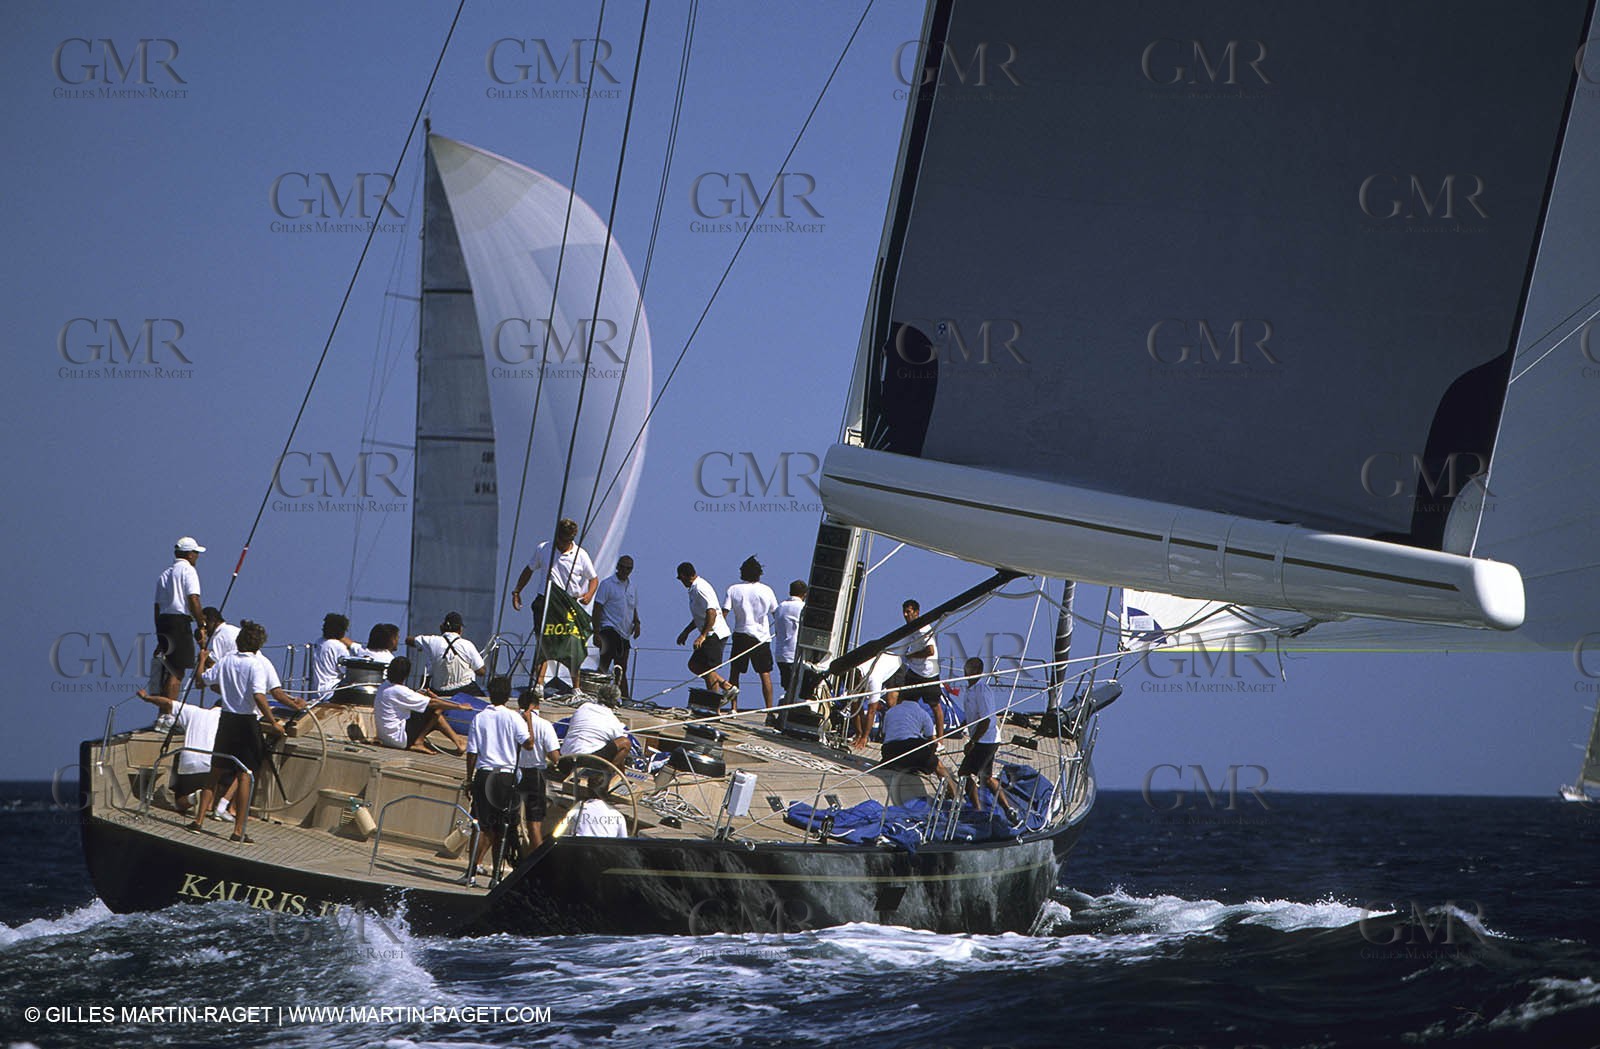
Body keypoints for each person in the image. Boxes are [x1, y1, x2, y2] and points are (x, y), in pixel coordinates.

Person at [189, 620, 306, 842]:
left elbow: (202, 681)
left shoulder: (226, 660)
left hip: (226, 720)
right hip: (246, 723)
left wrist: (202, 660)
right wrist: (273, 722)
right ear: (259, 644)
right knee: (245, 775)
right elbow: (259, 696)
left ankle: (198, 821)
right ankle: (238, 831)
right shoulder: (256, 665)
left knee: (215, 771)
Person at [511, 517, 598, 695]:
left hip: (568, 605)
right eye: (561, 538)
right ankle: (539, 685)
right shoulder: (544, 548)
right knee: (544, 641)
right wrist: (517, 591)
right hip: (546, 602)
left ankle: (576, 688)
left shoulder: (580, 554)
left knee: (573, 644)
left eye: (566, 540)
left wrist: (589, 595)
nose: (562, 543)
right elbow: (529, 569)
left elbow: (593, 578)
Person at [136, 687, 241, 822]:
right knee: (237, 768)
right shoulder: (230, 720)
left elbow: (167, 703)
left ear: (212, 706)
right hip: (211, 764)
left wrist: (146, 698)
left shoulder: (194, 711)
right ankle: (217, 805)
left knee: (180, 804)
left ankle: (194, 797)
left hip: (188, 762)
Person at [465, 676, 530, 877]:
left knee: (480, 825)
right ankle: (496, 876)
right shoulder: (514, 718)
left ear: (490, 694)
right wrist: (528, 721)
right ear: (508, 696)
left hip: (484, 774)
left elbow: (472, 752)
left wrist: (469, 779)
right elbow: (529, 744)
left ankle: (471, 872)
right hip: (506, 777)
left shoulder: (479, 718)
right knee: (502, 828)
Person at [957, 658, 1019, 822]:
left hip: (985, 741)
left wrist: (972, 742)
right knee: (986, 777)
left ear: (978, 672)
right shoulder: (971, 690)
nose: (966, 671)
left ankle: (978, 810)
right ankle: (1008, 809)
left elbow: (986, 720)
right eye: (966, 667)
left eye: (971, 668)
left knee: (964, 773)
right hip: (986, 740)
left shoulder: (981, 690)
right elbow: (974, 716)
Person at [373, 656, 471, 754]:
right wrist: (459, 707)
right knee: (435, 711)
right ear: (406, 674)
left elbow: (404, 697)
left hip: (385, 738)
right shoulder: (400, 690)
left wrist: (424, 696)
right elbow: (433, 703)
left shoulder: (384, 686)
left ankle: (459, 742)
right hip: (399, 739)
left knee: (430, 711)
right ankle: (419, 742)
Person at [150, 537, 207, 704]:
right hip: (179, 622)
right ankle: (169, 711)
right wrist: (201, 624)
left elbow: (157, 608)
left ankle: (164, 710)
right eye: (196, 552)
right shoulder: (188, 571)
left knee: (168, 668)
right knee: (177, 670)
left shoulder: (164, 575)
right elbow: (193, 599)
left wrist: (159, 636)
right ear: (189, 554)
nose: (197, 556)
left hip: (163, 623)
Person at [674, 562, 737, 705]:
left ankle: (714, 706)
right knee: (694, 665)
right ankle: (727, 687)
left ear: (684, 576)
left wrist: (702, 636)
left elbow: (711, 612)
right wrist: (686, 632)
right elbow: (700, 615)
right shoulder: (693, 589)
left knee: (708, 670)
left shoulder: (700, 588)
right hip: (709, 633)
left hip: (714, 634)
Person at [723, 556, 778, 713]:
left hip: (741, 633)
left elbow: (724, 612)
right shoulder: (767, 590)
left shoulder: (733, 589)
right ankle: (769, 709)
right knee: (764, 673)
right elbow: (776, 613)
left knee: (735, 672)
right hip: (762, 637)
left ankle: (733, 708)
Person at [879, 688, 958, 798]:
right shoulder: (923, 714)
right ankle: (953, 794)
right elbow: (933, 740)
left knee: (910, 751)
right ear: (918, 699)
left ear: (901, 697)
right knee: (938, 765)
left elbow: (884, 734)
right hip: (912, 749)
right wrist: (932, 755)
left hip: (890, 752)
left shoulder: (890, 712)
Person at [514, 686, 562, 851]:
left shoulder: (512, 722)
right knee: (534, 825)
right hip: (535, 775)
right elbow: (554, 757)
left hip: (513, 772)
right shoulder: (545, 725)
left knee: (507, 819)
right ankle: (539, 860)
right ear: (537, 705)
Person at [405, 612, 486, 697]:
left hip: (439, 692)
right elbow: (481, 672)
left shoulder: (431, 641)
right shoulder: (467, 645)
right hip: (464, 690)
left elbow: (408, 640)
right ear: (460, 629)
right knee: (483, 699)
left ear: (442, 627)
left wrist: (423, 647)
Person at [592, 555, 640, 696]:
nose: (625, 570)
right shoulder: (607, 584)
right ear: (618, 567)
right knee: (606, 663)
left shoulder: (632, 587)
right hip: (609, 629)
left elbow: (633, 608)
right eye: (623, 567)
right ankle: (597, 694)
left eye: (628, 568)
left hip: (624, 633)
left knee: (621, 668)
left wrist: (637, 622)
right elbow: (597, 608)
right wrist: (596, 632)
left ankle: (623, 698)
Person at [557, 683, 631, 772]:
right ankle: (607, 775)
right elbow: (621, 744)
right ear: (615, 702)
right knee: (625, 743)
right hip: (585, 762)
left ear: (598, 696)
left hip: (564, 760)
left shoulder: (583, 707)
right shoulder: (613, 720)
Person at [899, 598, 945, 736]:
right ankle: (903, 732)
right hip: (914, 670)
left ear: (917, 612)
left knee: (935, 705)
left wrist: (912, 656)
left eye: (908, 612)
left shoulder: (923, 628)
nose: (905, 615)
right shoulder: (909, 628)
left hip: (928, 673)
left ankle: (940, 739)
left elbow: (930, 651)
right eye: (904, 612)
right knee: (903, 702)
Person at [311, 613, 356, 702]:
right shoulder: (339, 647)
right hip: (331, 691)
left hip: (316, 691)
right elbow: (347, 671)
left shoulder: (319, 642)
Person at [570, 770, 628, 837]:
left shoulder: (577, 809)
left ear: (588, 789)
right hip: (606, 843)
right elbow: (623, 840)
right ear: (607, 789)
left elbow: (569, 835)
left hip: (582, 843)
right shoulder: (618, 816)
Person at [773, 580, 806, 695]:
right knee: (798, 688)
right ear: (805, 594)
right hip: (794, 654)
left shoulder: (780, 607)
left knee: (788, 687)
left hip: (781, 654)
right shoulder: (802, 607)